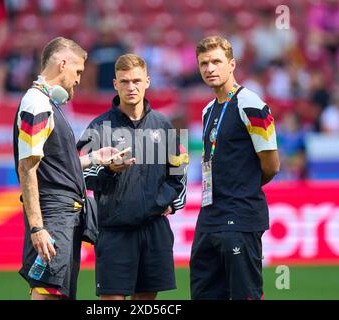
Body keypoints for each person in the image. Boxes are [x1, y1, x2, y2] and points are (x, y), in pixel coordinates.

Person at [13, 37, 119, 300]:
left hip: (63, 217)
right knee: (49, 293)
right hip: (53, 218)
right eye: (78, 71)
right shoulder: (37, 104)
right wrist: (38, 227)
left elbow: (54, 167)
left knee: (57, 293)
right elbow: (27, 167)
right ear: (62, 64)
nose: (80, 79)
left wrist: (94, 158)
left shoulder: (47, 104)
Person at [77, 53, 188, 300]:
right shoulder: (98, 127)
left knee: (146, 302)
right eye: (125, 81)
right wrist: (108, 171)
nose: (131, 87)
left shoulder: (164, 125)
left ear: (147, 81)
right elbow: (80, 173)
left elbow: (179, 172)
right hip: (114, 231)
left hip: (155, 230)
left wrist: (171, 202)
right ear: (115, 84)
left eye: (137, 81)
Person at [190, 36, 280, 300]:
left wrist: (243, 185)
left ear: (232, 65)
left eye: (216, 61)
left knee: (245, 294)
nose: (210, 68)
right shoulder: (208, 110)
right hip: (209, 217)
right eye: (204, 63)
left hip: (240, 215)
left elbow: (272, 165)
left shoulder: (250, 103)